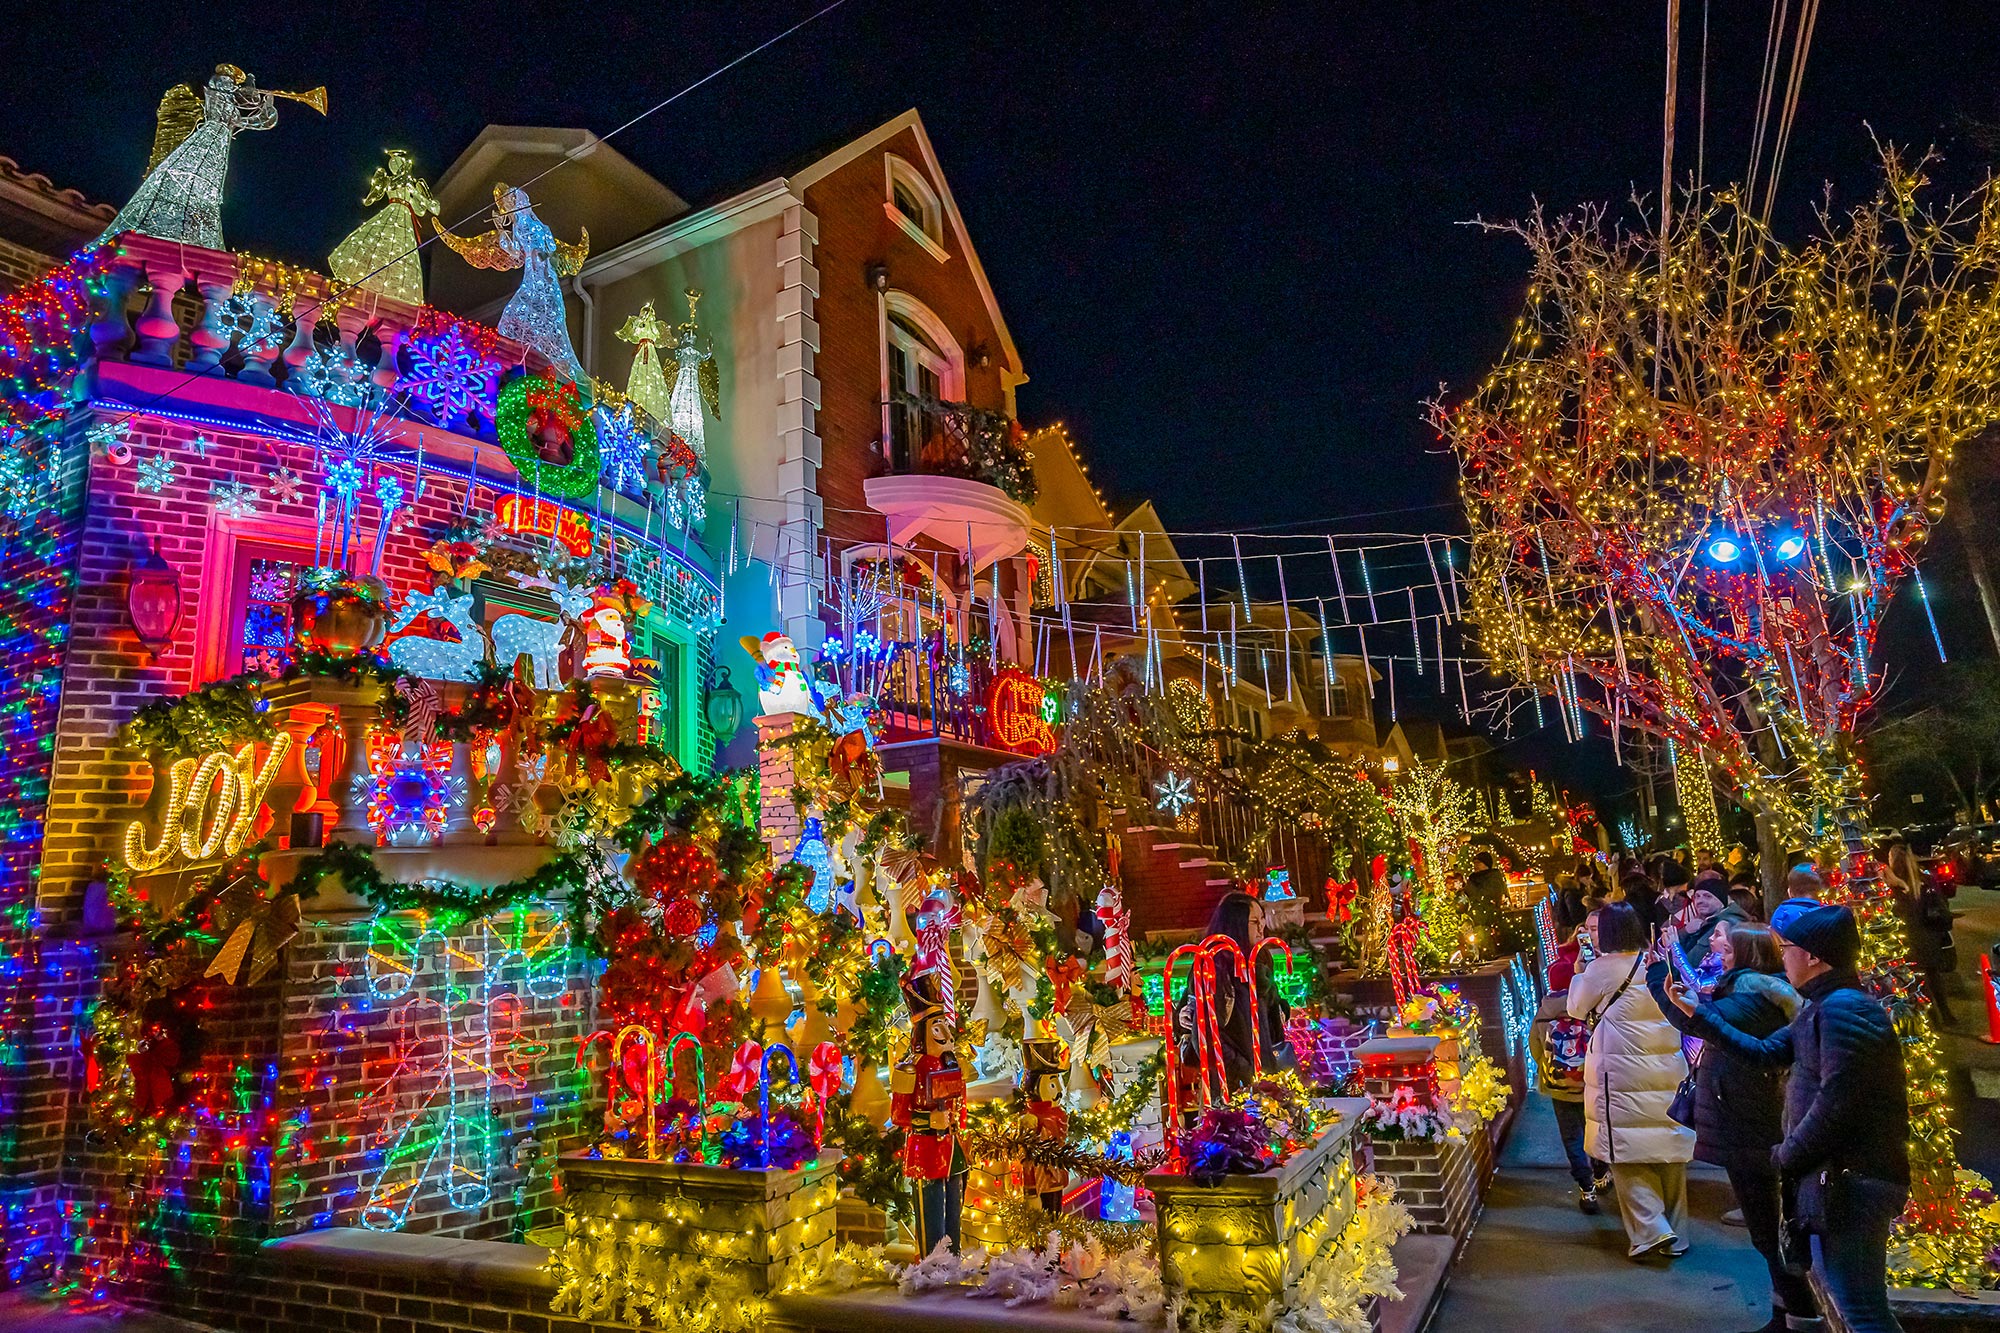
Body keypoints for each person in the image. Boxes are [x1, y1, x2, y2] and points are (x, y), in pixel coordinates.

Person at [1664, 905, 1910, 1333]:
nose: (1783, 958)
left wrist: (1786, 1155)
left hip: (1855, 1180)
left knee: (1862, 1309)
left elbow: (1839, 1101)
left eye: (1788, 949)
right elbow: (1763, 1053)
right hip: (1839, 1176)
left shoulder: (1844, 1010)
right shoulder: (1822, 1006)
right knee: (1854, 1303)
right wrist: (1696, 1013)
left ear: (1813, 956)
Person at [1649, 922, 1812, 1333]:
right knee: (1768, 1228)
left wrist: (1656, 977)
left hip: (1748, 1123)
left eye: (1728, 946)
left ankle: (1797, 1315)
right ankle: (1788, 1312)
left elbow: (1696, 1021)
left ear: (1747, 954)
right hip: (1749, 1118)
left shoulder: (1751, 998)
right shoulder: (1756, 991)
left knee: (1767, 1228)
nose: (1719, 950)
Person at [1568, 902, 1696, 1258]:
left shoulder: (1600, 969)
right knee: (1667, 1151)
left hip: (1620, 1074)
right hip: (1667, 1066)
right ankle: (1678, 1236)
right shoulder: (1658, 961)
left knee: (1625, 1152)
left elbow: (1576, 1008)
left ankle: (1650, 1230)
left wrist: (1580, 974)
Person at [1178, 891, 1294, 1092]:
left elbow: (1270, 1010)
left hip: (1266, 1070)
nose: (1261, 928)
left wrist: (1279, 1011)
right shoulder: (1213, 966)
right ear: (1236, 924)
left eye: (1263, 920)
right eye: (1254, 921)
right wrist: (1243, 1069)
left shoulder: (1261, 957)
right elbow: (1206, 1034)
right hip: (1232, 1083)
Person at [1532, 924, 1607, 1212]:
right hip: (1590, 1081)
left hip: (1559, 1086)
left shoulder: (1546, 1010)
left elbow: (1536, 1048)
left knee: (1571, 1137)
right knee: (1596, 1129)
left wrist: (1548, 1072)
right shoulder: (1592, 1005)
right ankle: (1601, 1173)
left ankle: (1586, 1188)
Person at [1882, 837, 1955, 1024]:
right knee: (1934, 976)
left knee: (1917, 982)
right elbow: (1942, 903)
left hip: (1910, 940)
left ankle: (1932, 1019)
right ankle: (1946, 1014)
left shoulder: (1893, 888)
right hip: (1930, 937)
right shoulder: (1926, 880)